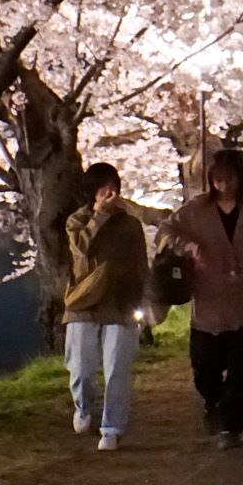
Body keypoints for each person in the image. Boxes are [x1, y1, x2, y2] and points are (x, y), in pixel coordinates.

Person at [160, 148, 243, 450]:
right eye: (217, 180)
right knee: (205, 366)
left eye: (229, 179)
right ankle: (213, 403)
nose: (223, 186)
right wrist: (189, 246)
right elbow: (166, 231)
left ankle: (232, 426)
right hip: (209, 301)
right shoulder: (196, 209)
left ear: (241, 178)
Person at [62, 163, 152, 451]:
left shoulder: (130, 224)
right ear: (92, 191)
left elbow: (141, 266)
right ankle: (84, 407)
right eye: (102, 186)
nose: (109, 192)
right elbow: (82, 249)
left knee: (117, 369)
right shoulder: (76, 221)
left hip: (121, 302)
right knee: (81, 368)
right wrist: (99, 215)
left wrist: (144, 304)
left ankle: (111, 428)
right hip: (84, 301)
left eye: (113, 185)